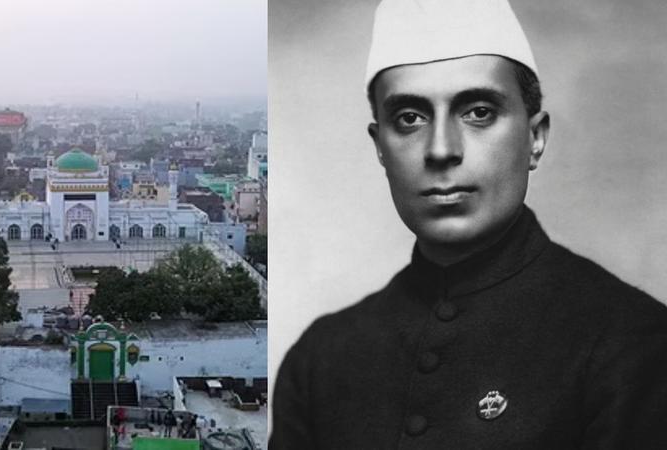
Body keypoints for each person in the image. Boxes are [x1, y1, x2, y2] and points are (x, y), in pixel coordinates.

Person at [270, 0, 667, 449]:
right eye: (409, 118)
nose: (441, 149)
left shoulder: (636, 347)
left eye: (478, 111)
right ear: (380, 146)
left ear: (535, 138)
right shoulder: (320, 359)